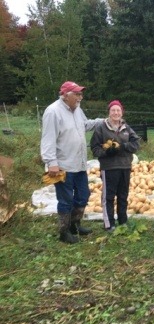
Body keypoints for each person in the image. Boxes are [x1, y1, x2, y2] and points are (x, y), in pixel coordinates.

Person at [40, 81, 103, 244]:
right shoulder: (53, 112)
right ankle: (64, 231)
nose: (80, 97)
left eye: (81, 94)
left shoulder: (77, 110)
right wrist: (51, 162)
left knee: (83, 195)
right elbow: (48, 139)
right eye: (77, 94)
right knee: (66, 200)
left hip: (79, 163)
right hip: (62, 166)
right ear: (66, 95)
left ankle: (75, 225)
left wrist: (104, 121)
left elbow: (85, 125)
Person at [90, 100, 140, 231]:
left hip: (125, 166)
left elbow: (136, 143)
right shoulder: (101, 128)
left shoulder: (126, 128)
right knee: (109, 197)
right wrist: (107, 152)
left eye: (118, 110)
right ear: (109, 112)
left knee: (123, 195)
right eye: (113, 110)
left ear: (122, 112)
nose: (116, 113)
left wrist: (124, 146)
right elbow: (95, 149)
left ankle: (123, 220)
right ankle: (109, 223)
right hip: (109, 167)